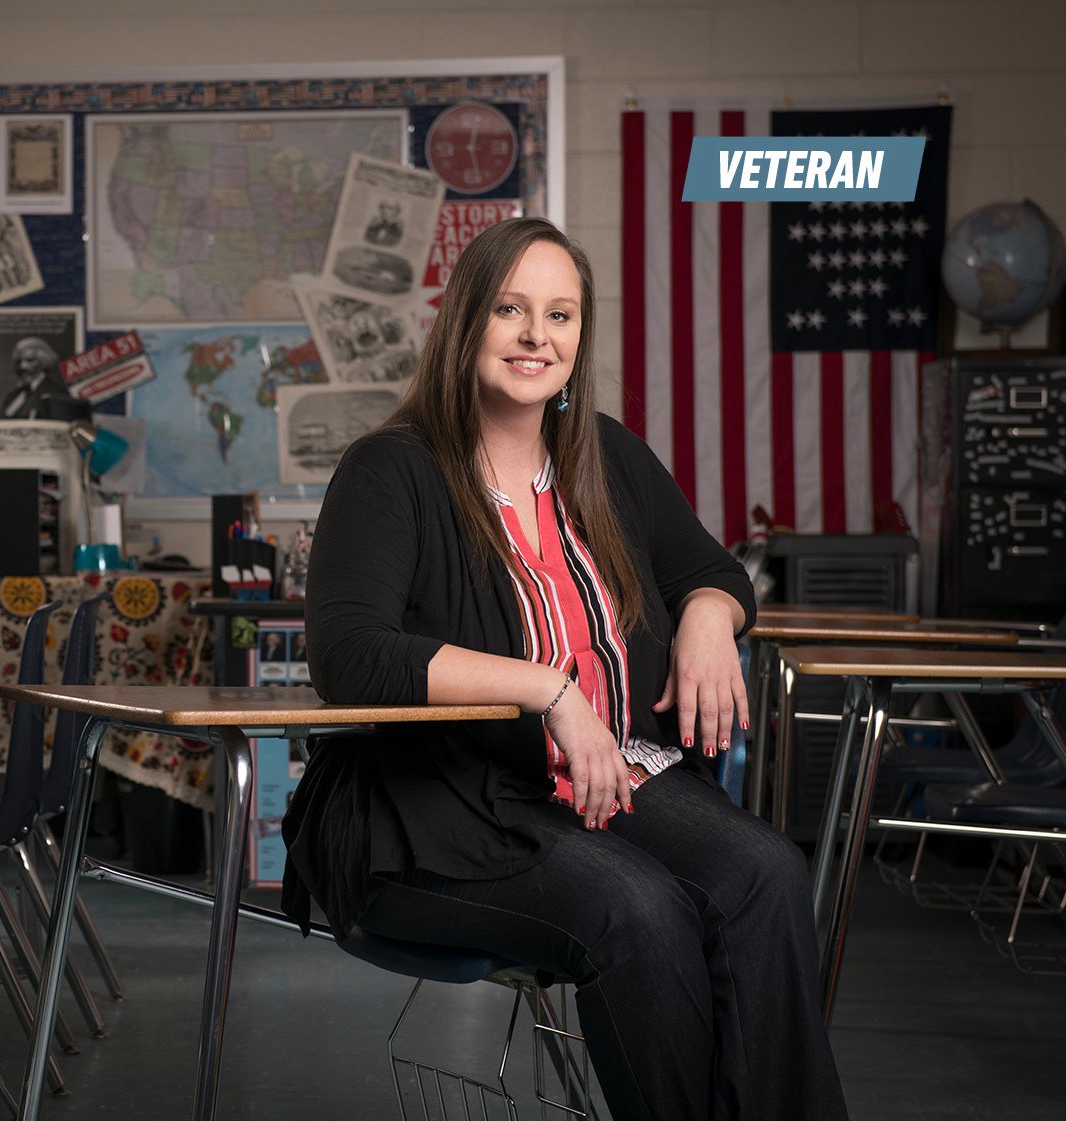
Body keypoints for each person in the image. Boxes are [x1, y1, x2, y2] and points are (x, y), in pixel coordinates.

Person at [281, 217, 848, 1121]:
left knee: (767, 872)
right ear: (466, 323)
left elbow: (710, 571)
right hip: (441, 805)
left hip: (610, 781)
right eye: (510, 309)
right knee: (640, 909)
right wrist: (548, 689)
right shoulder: (392, 470)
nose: (537, 335)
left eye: (561, 314)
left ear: (580, 337)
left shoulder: (605, 453)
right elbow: (348, 654)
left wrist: (710, 617)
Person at [0, 336, 70, 419]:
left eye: (30, 360)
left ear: (43, 361)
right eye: (19, 361)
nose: (23, 366)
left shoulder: (56, 393)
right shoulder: (13, 396)